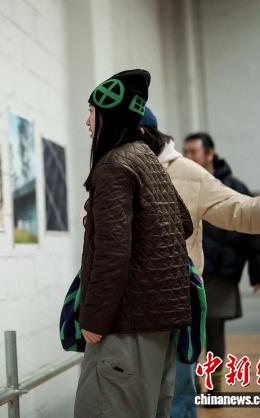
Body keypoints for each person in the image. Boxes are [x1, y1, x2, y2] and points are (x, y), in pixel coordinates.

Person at [138, 113, 260, 417]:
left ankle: (212, 388)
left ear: (210, 153)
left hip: (209, 279)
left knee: (206, 342)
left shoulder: (202, 178)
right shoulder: (119, 169)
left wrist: (259, 271)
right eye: (187, 150)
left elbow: (242, 217)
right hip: (153, 295)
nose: (189, 155)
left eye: (194, 150)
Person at [74, 69, 193, 418]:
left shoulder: (114, 165)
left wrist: (94, 318)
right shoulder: (146, 157)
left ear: (108, 115)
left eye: (92, 111)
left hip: (126, 326)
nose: (87, 121)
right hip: (159, 324)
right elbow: (183, 224)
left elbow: (113, 252)